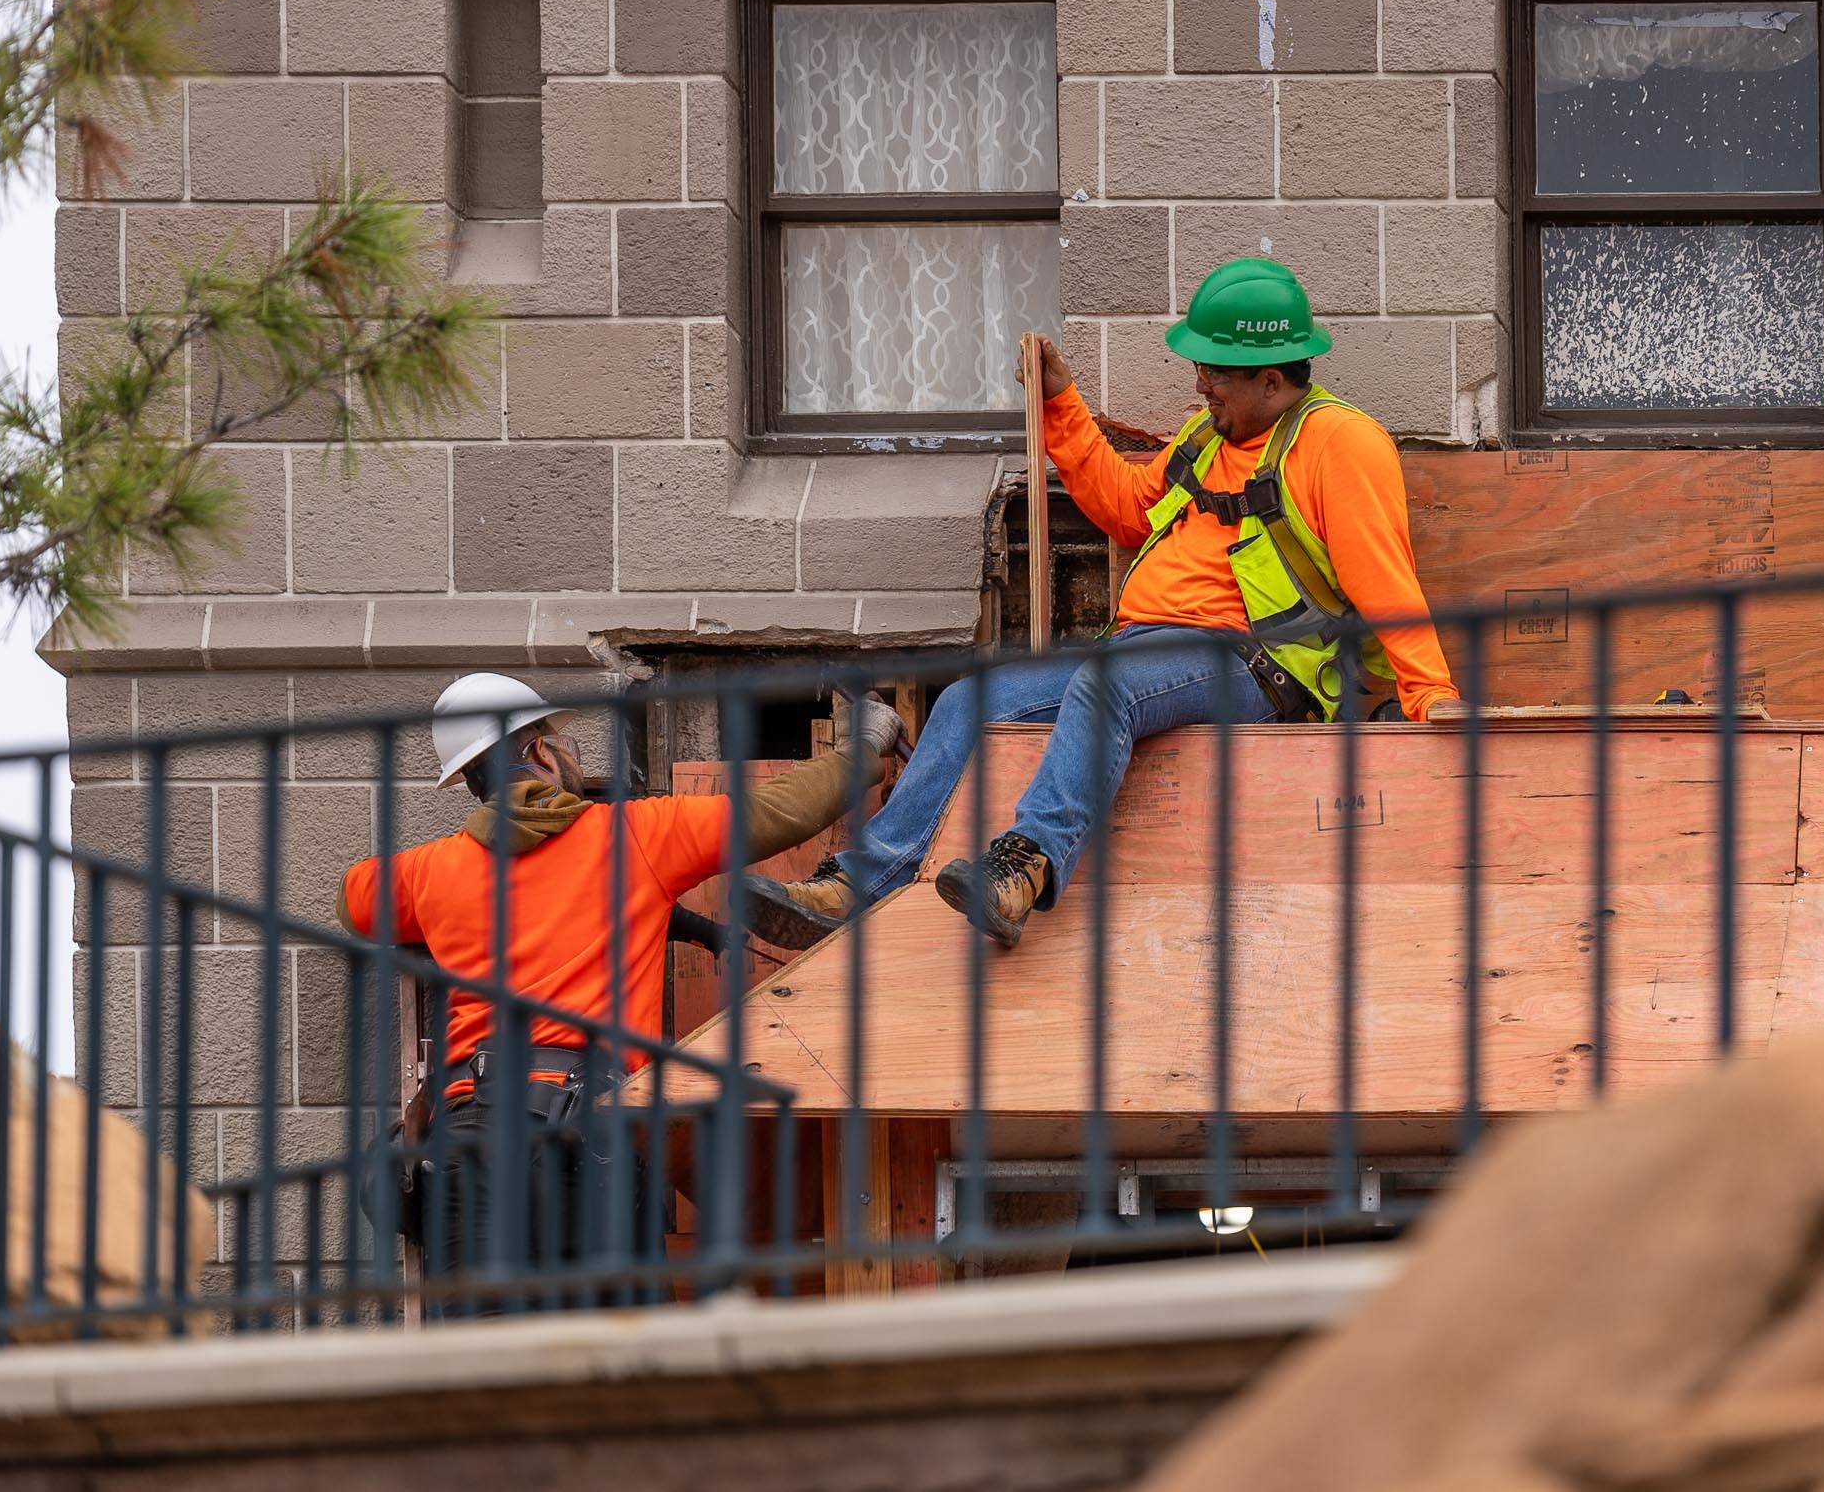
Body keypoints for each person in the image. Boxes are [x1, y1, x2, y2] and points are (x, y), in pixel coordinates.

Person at [766, 257, 1462, 951]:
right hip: (1144, 652)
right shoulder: (1206, 437)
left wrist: (1429, 692)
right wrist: (1062, 405)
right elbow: (1128, 510)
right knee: (966, 701)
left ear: (1272, 380)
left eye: (1215, 372)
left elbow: (1383, 580)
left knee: (1107, 687)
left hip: (1260, 667)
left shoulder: (1339, 443)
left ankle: (1024, 866)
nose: (1199, 384)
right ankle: (860, 882)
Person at [337, 671, 902, 1308]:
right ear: (541, 755)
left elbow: (353, 899)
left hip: (470, 1149)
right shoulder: (633, 836)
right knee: (617, 1388)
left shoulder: (429, 872)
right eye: (559, 742)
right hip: (589, 1142)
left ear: (468, 780)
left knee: (482, 1383)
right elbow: (780, 812)